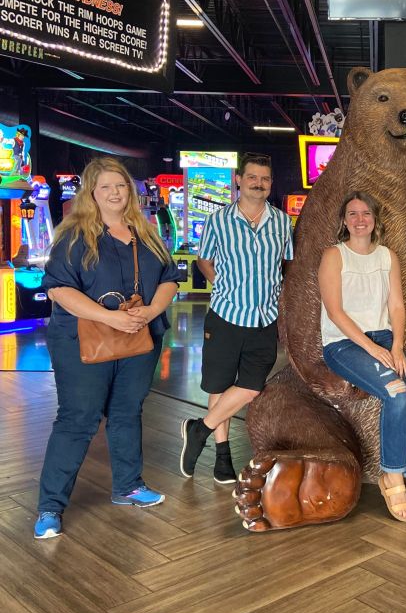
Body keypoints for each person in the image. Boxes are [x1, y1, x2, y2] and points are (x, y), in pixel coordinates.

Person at [35, 158, 179, 540]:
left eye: (121, 186)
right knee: (78, 420)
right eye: (106, 187)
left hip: (140, 337)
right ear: (92, 194)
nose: (116, 193)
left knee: (127, 412)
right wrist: (111, 318)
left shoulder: (145, 233)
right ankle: (50, 507)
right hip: (82, 341)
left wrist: (150, 311)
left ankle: (128, 486)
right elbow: (59, 289)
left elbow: (170, 279)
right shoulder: (74, 236)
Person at [180, 152, 293, 483]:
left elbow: (286, 264)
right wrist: (224, 284)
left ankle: (198, 429)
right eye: (253, 177)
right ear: (239, 180)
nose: (259, 183)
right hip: (226, 314)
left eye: (265, 179)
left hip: (264, 318)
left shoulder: (283, 223)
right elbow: (204, 260)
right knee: (220, 385)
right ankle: (222, 456)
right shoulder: (218, 221)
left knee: (251, 387)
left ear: (271, 184)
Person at [318, 191, 406, 521]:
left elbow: (396, 306)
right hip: (345, 344)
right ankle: (393, 478)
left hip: (385, 339)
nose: (360, 219)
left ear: (375, 219)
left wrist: (395, 346)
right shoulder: (334, 256)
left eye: (366, 213)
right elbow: (334, 312)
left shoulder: (386, 256)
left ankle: (395, 471)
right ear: (344, 221)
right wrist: (372, 348)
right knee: (395, 394)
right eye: (353, 214)